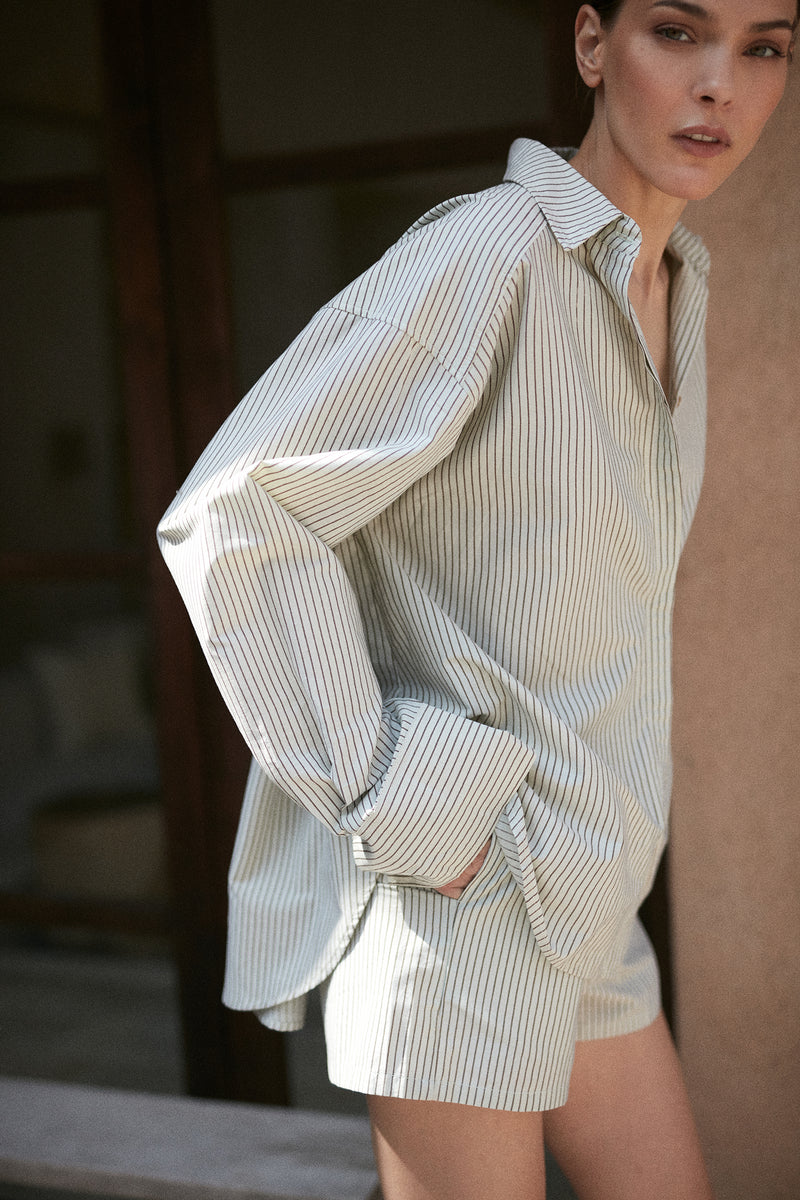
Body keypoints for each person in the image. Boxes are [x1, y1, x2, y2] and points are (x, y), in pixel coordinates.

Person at [157, 3, 796, 1197]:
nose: (720, 83)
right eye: (677, 31)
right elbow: (236, 510)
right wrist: (394, 792)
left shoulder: (675, 281)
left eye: (763, 46)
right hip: (466, 896)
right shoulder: (492, 254)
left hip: (590, 888)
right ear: (592, 46)